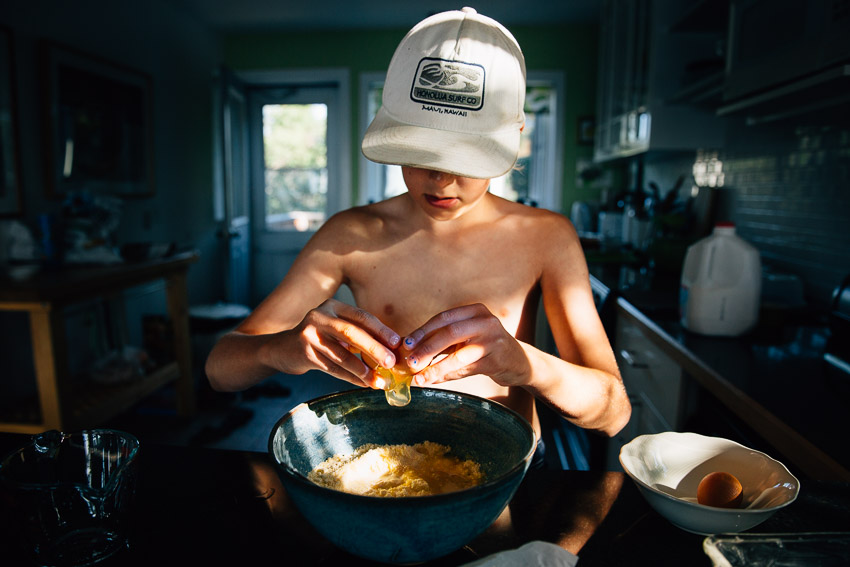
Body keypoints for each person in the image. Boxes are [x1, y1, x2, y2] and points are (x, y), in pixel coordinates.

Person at [205, 7, 631, 447]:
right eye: (421, 153)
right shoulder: (350, 233)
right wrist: (280, 348)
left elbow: (613, 411)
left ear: (515, 135)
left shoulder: (547, 237)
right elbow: (220, 368)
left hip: (507, 472)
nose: (442, 180)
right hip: (383, 462)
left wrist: (525, 364)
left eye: (465, 158)